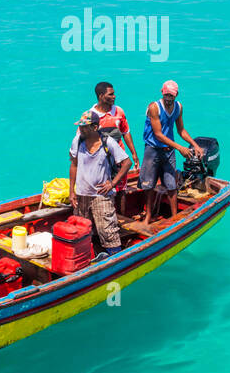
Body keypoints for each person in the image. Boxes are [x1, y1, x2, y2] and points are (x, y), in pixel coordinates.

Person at [69, 109, 131, 259]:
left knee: (108, 230)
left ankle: (115, 258)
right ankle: (86, 259)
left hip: (101, 195)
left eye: (85, 127)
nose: (81, 129)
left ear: (95, 127)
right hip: (82, 194)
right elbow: (74, 165)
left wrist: (113, 183)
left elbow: (126, 163)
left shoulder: (107, 142)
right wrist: (72, 191)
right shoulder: (77, 140)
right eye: (81, 126)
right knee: (81, 230)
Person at [138, 80, 203, 224]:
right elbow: (158, 134)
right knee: (148, 185)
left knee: (171, 185)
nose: (169, 98)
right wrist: (180, 148)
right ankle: (148, 216)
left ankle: (174, 217)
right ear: (162, 92)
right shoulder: (154, 107)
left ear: (176, 95)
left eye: (171, 95)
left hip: (168, 151)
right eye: (166, 95)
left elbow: (181, 130)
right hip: (152, 150)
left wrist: (195, 145)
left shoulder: (178, 107)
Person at [92, 81, 139, 186]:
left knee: (121, 189)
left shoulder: (119, 111)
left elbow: (125, 132)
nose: (114, 96)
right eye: (110, 94)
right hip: (101, 161)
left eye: (114, 93)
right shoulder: (91, 116)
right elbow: (83, 138)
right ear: (101, 96)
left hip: (119, 159)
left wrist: (133, 153)